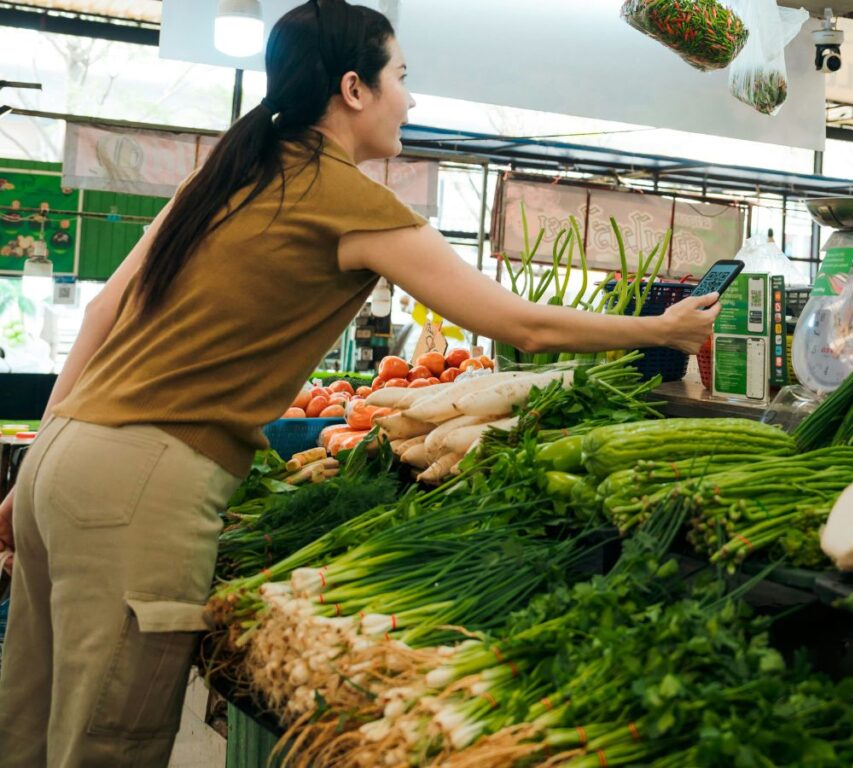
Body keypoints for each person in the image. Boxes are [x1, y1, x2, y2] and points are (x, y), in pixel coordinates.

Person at [0, 0, 720, 764]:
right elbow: (521, 326)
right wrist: (661, 329)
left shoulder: (223, 176)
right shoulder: (347, 200)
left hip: (63, 461)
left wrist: (31, 469)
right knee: (105, 740)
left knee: (27, 723)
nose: (410, 98)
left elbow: (102, 315)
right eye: (401, 78)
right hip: (142, 483)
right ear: (353, 88)